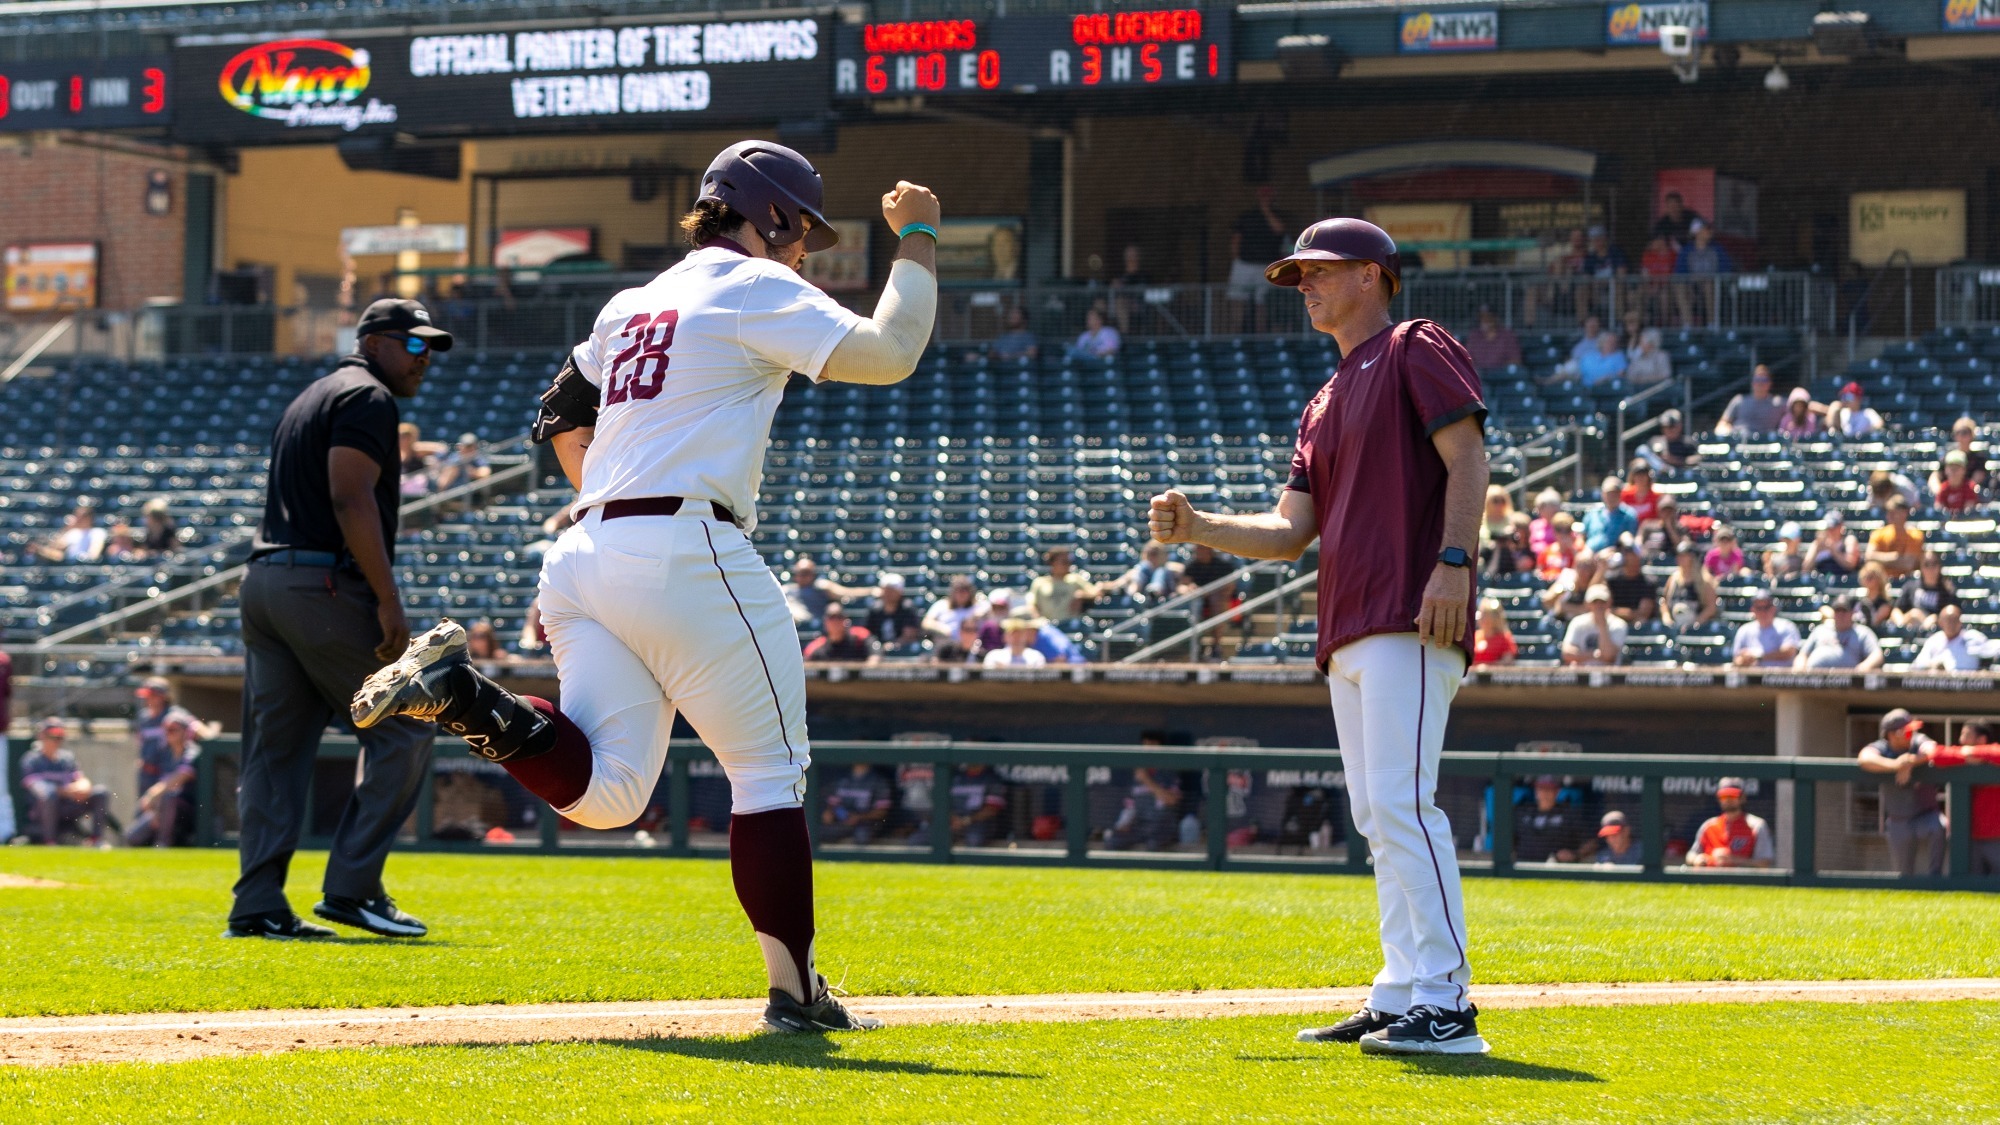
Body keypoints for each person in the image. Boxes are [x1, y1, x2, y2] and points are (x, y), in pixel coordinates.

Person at [348, 142, 945, 1035]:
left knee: (611, 795)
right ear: (772, 213)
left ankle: (463, 694)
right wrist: (923, 235)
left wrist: (621, 503)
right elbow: (893, 350)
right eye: (803, 232)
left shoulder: (632, 301)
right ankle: (796, 992)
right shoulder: (752, 284)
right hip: (684, 542)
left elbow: (557, 410)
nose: (804, 252)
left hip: (586, 550)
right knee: (769, 775)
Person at [1153, 217, 1491, 1055]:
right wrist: (1200, 526)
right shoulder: (1324, 397)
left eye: (1318, 270)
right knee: (1378, 814)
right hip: (1347, 621)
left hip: (1413, 609)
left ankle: (1446, 1004)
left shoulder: (1415, 343)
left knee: (1404, 805)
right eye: (1296, 274)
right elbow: (1286, 531)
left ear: (1373, 274)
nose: (1302, 284)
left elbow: (1470, 458)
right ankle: (1402, 990)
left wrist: (1455, 562)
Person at [230, 297, 450, 941]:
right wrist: (388, 598)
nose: (425, 359)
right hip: (320, 585)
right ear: (376, 342)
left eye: (431, 347)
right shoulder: (368, 398)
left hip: (266, 582)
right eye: (414, 345)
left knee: (276, 753)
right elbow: (349, 493)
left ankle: (258, 903)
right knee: (405, 727)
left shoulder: (313, 395)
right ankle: (353, 889)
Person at [1858, 710, 1945, 876]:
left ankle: (1936, 882)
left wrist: (1910, 762)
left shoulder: (1917, 740)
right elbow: (1864, 758)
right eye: (1906, 731)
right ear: (1892, 734)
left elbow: (1932, 749)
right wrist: (1895, 765)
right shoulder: (1881, 746)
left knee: (1938, 827)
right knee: (1903, 875)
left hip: (1926, 815)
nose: (1911, 733)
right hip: (1899, 819)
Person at [19, 717, 110, 846]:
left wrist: (83, 787)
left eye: (59, 737)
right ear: (42, 736)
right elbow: (40, 790)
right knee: (50, 795)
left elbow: (82, 781)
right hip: (43, 812)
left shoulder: (67, 758)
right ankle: (50, 842)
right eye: (52, 736)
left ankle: (96, 840)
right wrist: (68, 792)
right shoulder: (31, 760)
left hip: (68, 806)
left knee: (100, 792)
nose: (56, 741)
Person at [1925, 720, 2000, 875]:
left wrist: (1971, 753)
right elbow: (1936, 755)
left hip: (1996, 837)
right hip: (1967, 837)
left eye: (1966, 735)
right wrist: (1965, 756)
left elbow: (1996, 753)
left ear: (1981, 740)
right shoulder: (1961, 754)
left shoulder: (1993, 751)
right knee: (1970, 889)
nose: (1961, 740)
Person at [126, 708, 203, 848]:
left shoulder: (192, 752)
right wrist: (154, 809)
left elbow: (181, 777)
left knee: (170, 797)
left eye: (173, 729)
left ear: (185, 732)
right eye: (166, 729)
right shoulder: (164, 754)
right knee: (132, 836)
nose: (169, 733)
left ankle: (163, 844)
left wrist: (154, 794)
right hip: (163, 810)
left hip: (191, 812)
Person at [1226, 186, 1291, 333]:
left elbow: (1279, 229)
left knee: (1261, 302)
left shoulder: (1279, 215)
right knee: (1238, 299)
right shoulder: (1246, 216)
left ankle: (1260, 335)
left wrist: (1266, 211)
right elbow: (1236, 238)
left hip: (1265, 265)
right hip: (1244, 263)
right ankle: (1234, 334)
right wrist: (1236, 258)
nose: (1265, 199)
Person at [1684, 777, 1773, 868]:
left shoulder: (1756, 826)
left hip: (1741, 880)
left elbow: (1764, 863)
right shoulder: (1709, 826)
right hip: (1711, 879)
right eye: (1724, 796)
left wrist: (1733, 860)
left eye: (1732, 795)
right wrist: (1697, 859)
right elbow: (1691, 854)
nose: (1728, 799)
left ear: (1742, 798)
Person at [1795, 596, 1884, 671]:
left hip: (1847, 685)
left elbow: (1877, 655)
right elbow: (1803, 654)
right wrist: (1800, 670)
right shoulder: (1820, 630)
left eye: (1844, 611)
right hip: (1812, 682)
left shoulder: (1862, 632)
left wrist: (1862, 668)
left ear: (1852, 613)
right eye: (1837, 611)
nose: (1840, 614)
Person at [1105, 767, 1181, 851]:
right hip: (1140, 825)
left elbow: (1172, 800)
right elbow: (1129, 807)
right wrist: (1123, 824)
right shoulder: (1133, 777)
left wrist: (1146, 780)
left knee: (1153, 845)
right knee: (1113, 841)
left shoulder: (1166, 773)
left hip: (1163, 824)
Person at [1514, 776, 1586, 863]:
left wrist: (1576, 854)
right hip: (1523, 865)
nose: (1545, 793)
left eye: (1549, 789)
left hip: (1555, 867)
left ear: (1557, 791)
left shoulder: (1568, 814)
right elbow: (1509, 840)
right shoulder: (1523, 812)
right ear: (1536, 790)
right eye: (1541, 789)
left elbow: (1591, 841)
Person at [781, 557, 871, 626]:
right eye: (800, 573)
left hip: (819, 628)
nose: (803, 576)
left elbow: (848, 593)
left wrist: (870, 591)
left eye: (807, 573)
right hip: (794, 628)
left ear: (813, 574)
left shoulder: (822, 586)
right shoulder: (786, 590)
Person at [819, 763, 892, 845]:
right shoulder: (842, 778)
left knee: (862, 837)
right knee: (819, 832)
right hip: (842, 822)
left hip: (865, 824)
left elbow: (881, 812)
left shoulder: (878, 780)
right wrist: (829, 813)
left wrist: (858, 817)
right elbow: (832, 805)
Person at [1912, 605, 1996, 671]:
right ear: (1940, 623)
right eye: (1947, 620)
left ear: (1960, 621)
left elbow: (1994, 652)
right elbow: (1917, 665)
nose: (1951, 623)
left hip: (1969, 687)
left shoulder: (1973, 637)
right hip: (1938, 686)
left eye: (1954, 619)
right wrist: (1932, 665)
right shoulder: (1934, 640)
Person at [1731, 590, 1801, 667]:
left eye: (1766, 607)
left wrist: (1759, 657)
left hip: (1780, 677)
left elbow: (1789, 652)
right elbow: (1736, 660)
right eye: (1759, 608)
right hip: (1752, 677)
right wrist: (1744, 660)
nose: (1763, 612)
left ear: (1773, 609)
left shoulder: (1787, 626)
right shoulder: (1744, 630)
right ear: (1752, 610)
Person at [1028, 546, 1097, 624]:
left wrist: (1081, 595)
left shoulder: (1075, 579)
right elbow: (1032, 605)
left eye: (1069, 562)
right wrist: (1039, 622)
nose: (1068, 565)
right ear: (1052, 563)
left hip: (1070, 625)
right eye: (1064, 562)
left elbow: (1095, 593)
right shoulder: (1039, 582)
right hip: (1048, 626)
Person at [1561, 585, 1626, 666]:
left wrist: (1602, 626)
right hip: (1581, 675)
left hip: (1609, 676)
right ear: (1588, 604)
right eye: (1595, 602)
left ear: (1609, 602)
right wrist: (1594, 655)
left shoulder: (1618, 624)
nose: (1599, 606)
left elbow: (1609, 656)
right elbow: (1567, 653)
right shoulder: (1577, 622)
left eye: (1602, 602)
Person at [1661, 540, 1718, 630]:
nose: (1680, 558)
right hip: (1674, 625)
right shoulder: (1673, 578)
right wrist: (1666, 617)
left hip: (1696, 629)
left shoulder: (1704, 580)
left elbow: (1711, 607)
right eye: (1679, 555)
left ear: (1692, 557)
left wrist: (1696, 623)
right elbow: (1664, 601)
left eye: (1684, 555)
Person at [947, 763, 1008, 846]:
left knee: (974, 840)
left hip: (978, 823)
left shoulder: (992, 778)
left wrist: (966, 820)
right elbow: (941, 801)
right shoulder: (955, 776)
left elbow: (992, 809)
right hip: (952, 821)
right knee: (934, 836)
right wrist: (951, 816)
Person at [1895, 552, 1958, 631]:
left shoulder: (1947, 591)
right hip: (1910, 631)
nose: (1930, 568)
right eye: (1926, 564)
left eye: (1934, 564)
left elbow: (1952, 616)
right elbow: (1896, 610)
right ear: (1921, 568)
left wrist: (1935, 619)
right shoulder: (1911, 587)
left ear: (1940, 567)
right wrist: (1903, 622)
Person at [1715, 365, 1784, 437]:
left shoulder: (1778, 403)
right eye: (1757, 379)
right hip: (1739, 441)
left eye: (1764, 379)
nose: (1760, 383)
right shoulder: (1739, 400)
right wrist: (1724, 430)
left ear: (1770, 383)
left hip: (1766, 443)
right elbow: (1723, 422)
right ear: (1752, 382)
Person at [1867, 496, 1925, 579]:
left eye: (1893, 512)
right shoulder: (1878, 533)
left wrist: (1880, 559)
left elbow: (1908, 564)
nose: (1889, 516)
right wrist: (1894, 557)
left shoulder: (1915, 535)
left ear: (1904, 513)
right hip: (1883, 581)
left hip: (1907, 581)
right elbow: (1869, 557)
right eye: (1888, 512)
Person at [922, 574, 988, 645]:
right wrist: (942, 628)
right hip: (946, 646)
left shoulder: (978, 606)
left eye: (965, 591)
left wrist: (980, 616)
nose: (961, 594)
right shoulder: (941, 605)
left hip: (971, 647)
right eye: (959, 591)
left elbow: (991, 613)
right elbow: (926, 622)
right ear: (953, 592)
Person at [861, 573, 923, 648]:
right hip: (877, 649)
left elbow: (909, 635)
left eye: (892, 590)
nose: (888, 593)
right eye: (886, 589)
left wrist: (893, 645)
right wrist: (876, 646)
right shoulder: (874, 609)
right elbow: (867, 633)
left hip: (902, 650)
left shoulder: (907, 608)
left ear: (900, 591)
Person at [802, 604, 879, 663]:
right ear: (825, 622)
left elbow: (876, 654)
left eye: (839, 617)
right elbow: (805, 666)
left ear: (845, 620)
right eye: (832, 617)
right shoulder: (817, 646)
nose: (835, 621)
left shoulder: (859, 635)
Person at [1111, 540, 1182, 603]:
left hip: (1163, 598)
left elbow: (1181, 571)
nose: (1151, 557)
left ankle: (1154, 590)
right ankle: (1133, 593)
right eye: (1148, 553)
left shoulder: (1169, 568)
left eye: (1154, 553)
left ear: (1164, 554)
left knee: (1160, 571)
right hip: (1141, 595)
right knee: (1143, 567)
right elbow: (1117, 584)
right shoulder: (1138, 569)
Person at [35, 501, 107, 563]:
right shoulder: (73, 532)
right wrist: (66, 529)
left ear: (89, 518)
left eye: (81, 517)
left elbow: (94, 554)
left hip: (84, 564)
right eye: (77, 517)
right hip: (68, 564)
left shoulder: (97, 532)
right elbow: (56, 547)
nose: (78, 520)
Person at [1540, 548, 1600, 622]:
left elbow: (1589, 611)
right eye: (1580, 565)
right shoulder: (1567, 577)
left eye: (1587, 565)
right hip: (1561, 622)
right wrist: (1561, 591)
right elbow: (1547, 600)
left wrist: (1566, 607)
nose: (1582, 569)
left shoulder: (1597, 582)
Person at [1582, 475, 1637, 553]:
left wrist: (1611, 551)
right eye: (1609, 494)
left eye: (1615, 494)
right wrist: (1585, 551)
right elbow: (1582, 538)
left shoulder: (1628, 515)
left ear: (1620, 494)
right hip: (1590, 556)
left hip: (1615, 556)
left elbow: (1629, 542)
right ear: (1603, 494)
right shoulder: (1592, 514)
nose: (1612, 497)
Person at [1604, 549, 1658, 624]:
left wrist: (1617, 612)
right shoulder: (1612, 580)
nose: (1633, 563)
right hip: (1613, 623)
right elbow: (1605, 608)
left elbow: (1643, 614)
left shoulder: (1648, 582)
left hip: (1638, 626)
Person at [1462, 305, 1521, 374]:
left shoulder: (1507, 335)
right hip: (1480, 375)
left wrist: (1498, 369)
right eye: (1482, 317)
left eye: (1489, 317)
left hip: (1502, 374)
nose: (1485, 321)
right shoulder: (1474, 336)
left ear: (1495, 318)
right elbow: (1467, 359)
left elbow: (1516, 360)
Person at [1939, 417, 1989, 494]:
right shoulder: (1948, 456)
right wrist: (1941, 492)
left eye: (1965, 432)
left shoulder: (1979, 458)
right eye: (1958, 432)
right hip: (1948, 496)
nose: (1962, 435)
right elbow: (1936, 476)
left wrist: (1961, 495)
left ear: (1972, 435)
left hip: (1969, 497)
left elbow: (1976, 479)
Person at [982, 615, 1049, 667]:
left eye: (1019, 633)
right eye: (1012, 634)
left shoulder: (1036, 657)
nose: (1016, 637)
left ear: (1025, 636)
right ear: (1005, 637)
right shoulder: (994, 656)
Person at [1809, 512, 1859, 577]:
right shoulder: (1818, 543)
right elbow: (1805, 569)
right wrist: (1816, 550)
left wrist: (1832, 550)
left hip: (1843, 581)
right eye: (1828, 528)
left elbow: (1850, 564)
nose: (1831, 530)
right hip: (1821, 581)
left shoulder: (1848, 540)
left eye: (1834, 527)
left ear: (1841, 526)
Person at [1471, 598, 1516, 665]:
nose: (1481, 618)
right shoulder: (1474, 636)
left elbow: (1507, 662)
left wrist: (1486, 668)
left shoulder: (1504, 638)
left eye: (1485, 615)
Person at [397, 423, 437, 499]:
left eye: (406, 436)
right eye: (400, 436)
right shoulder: (394, 454)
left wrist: (417, 446)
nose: (403, 439)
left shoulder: (419, 452)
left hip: (417, 488)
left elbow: (442, 449)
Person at [1935, 450, 1981, 515]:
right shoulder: (1943, 488)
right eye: (1951, 467)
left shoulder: (1970, 487)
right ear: (1945, 470)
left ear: (1964, 470)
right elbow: (1939, 510)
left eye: (1957, 467)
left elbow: (1968, 512)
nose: (1953, 471)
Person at [1857, 561, 1897, 629]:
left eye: (1870, 577)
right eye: (1865, 576)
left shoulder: (1885, 604)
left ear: (1879, 579)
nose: (1867, 579)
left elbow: (1873, 622)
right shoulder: (1858, 600)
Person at [1527, 488, 1565, 553]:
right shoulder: (1534, 524)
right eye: (1538, 506)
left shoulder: (1562, 525)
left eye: (1542, 506)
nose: (1538, 510)